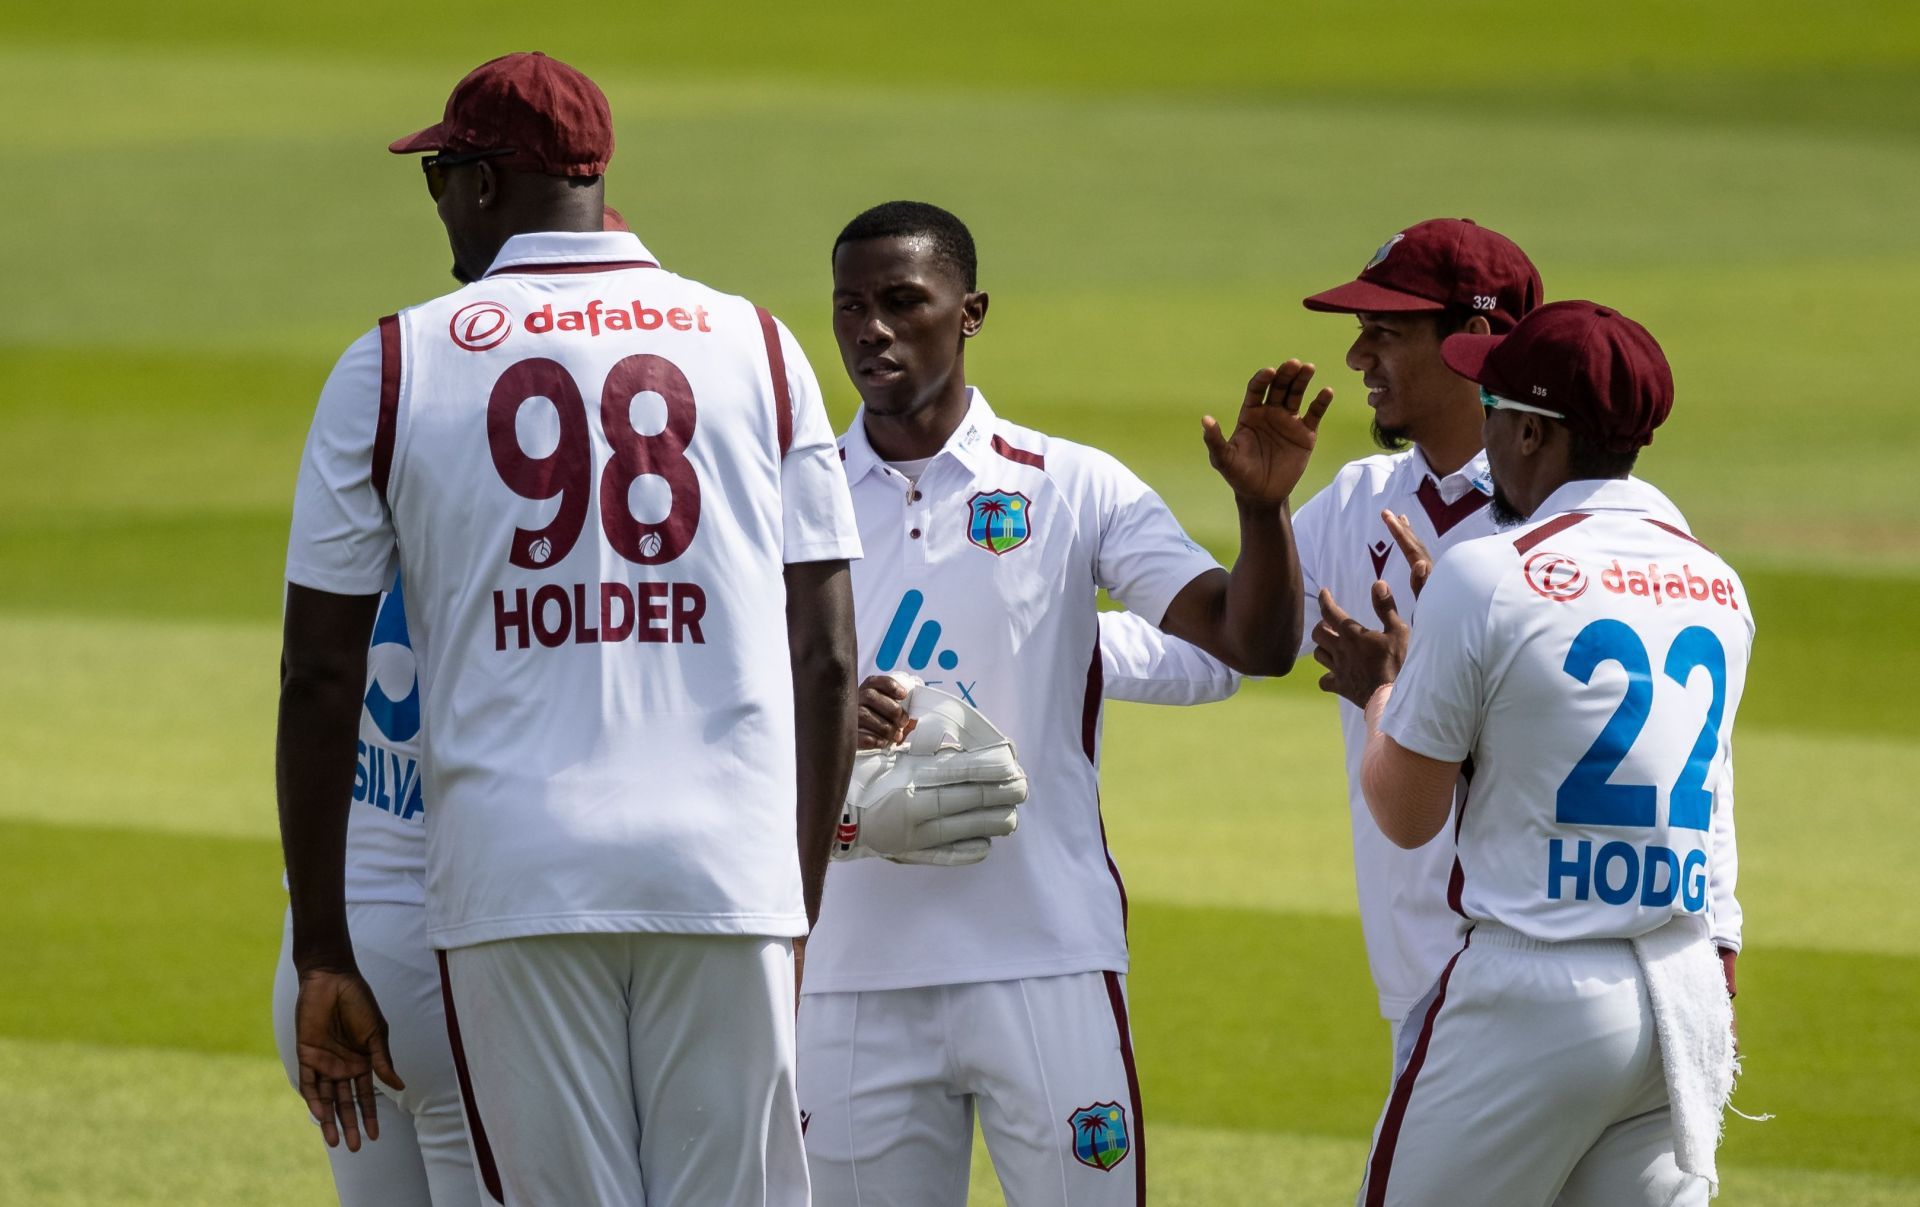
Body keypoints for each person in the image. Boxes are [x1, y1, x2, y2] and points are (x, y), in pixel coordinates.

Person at [277, 51, 861, 1206]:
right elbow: (830, 656)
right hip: (729, 869)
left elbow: (321, 671)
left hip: (517, 870)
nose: (437, 197)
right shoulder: (762, 345)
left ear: (486, 183)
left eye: (440, 171)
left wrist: (326, 950)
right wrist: (794, 906)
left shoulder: (393, 361)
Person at [799, 200, 1317, 1206]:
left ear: (971, 309)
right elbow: (722, 692)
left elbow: (1252, 643)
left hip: (1042, 954)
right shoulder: (792, 494)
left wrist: (1263, 512)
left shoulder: (1072, 486)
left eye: (902, 301)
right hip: (850, 971)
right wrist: (818, 714)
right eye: (850, 306)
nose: (871, 329)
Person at [1315, 300, 1749, 1204]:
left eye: (1493, 412)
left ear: (1528, 432)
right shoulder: (1717, 582)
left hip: (1529, 991)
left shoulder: (1486, 573)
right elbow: (1712, 807)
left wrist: (1380, 689)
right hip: (1682, 992)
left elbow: (1405, 813)